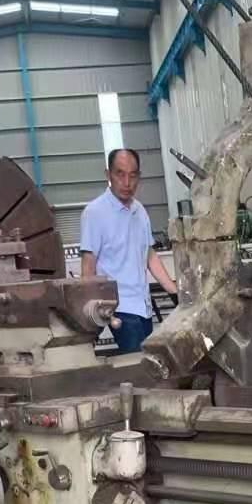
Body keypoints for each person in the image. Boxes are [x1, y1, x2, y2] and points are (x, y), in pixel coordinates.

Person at [79, 148, 178, 352]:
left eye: (132, 176)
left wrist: (174, 291)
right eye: (120, 174)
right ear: (108, 175)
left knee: (151, 361)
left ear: (139, 177)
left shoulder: (139, 211)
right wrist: (90, 315)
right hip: (120, 308)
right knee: (140, 363)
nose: (127, 182)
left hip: (143, 306)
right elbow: (88, 266)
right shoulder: (95, 213)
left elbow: (149, 255)